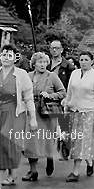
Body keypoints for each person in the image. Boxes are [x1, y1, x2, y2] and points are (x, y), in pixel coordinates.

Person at [0, 44, 37, 189]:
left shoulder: (21, 74)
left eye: (10, 55)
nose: (6, 57)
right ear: (0, 56)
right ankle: (12, 174)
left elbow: (28, 98)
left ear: (15, 58)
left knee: (4, 145)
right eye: (4, 54)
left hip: (13, 115)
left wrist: (33, 118)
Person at [62, 50, 94, 182]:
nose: (83, 62)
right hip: (75, 112)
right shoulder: (75, 74)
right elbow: (69, 92)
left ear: (92, 61)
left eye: (86, 59)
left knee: (81, 142)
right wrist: (66, 107)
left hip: (89, 113)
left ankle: (75, 172)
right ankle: (90, 161)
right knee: (75, 141)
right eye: (81, 60)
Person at [25, 52, 66, 180]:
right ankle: (33, 170)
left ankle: (49, 158)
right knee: (31, 141)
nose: (42, 65)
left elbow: (62, 92)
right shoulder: (28, 76)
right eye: (39, 62)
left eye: (44, 62)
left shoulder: (52, 76)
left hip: (47, 112)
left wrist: (50, 96)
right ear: (34, 64)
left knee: (48, 139)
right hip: (32, 111)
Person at [49, 40, 75, 161]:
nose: (54, 50)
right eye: (52, 48)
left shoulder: (68, 66)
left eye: (57, 48)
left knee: (64, 126)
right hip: (49, 99)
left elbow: (72, 84)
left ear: (61, 50)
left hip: (63, 99)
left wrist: (69, 99)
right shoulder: (46, 63)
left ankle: (65, 149)